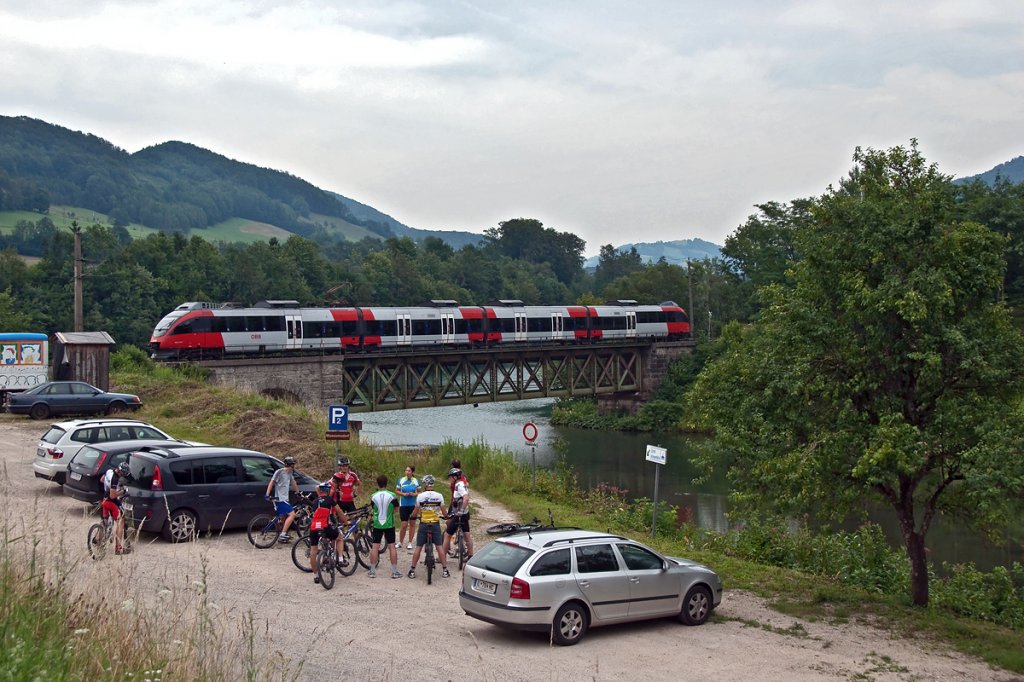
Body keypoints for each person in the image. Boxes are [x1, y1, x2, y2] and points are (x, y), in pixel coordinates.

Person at [408, 474, 449, 579]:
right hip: (435, 524)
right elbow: (444, 512)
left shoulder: (420, 496)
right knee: (439, 547)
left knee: (418, 547)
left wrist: (412, 516)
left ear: (425, 485)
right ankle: (445, 570)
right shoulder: (439, 496)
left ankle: (412, 570)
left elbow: (415, 511)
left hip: (424, 524)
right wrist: (446, 517)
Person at [309, 481, 348, 584]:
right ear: (328, 490)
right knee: (339, 538)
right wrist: (345, 521)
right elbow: (339, 512)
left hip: (313, 528)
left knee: (313, 551)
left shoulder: (315, 501)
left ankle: (316, 575)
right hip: (325, 526)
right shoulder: (330, 500)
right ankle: (340, 559)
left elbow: (316, 487)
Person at [367, 474, 401, 579]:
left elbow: (374, 508)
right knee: (392, 547)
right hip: (389, 524)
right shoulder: (392, 495)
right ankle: (394, 572)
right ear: (386, 483)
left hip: (377, 524)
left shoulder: (373, 496)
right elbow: (396, 509)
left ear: (377, 484)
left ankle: (372, 571)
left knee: (375, 547)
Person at [442, 466, 474, 562]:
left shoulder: (458, 485)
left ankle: (441, 557)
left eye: (450, 477)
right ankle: (470, 556)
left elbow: (466, 498)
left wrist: (461, 510)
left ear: (455, 477)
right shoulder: (463, 484)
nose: (449, 479)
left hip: (459, 514)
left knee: (447, 535)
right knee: (467, 535)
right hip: (465, 514)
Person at [265, 456, 299, 543]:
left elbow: (293, 483)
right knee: (292, 515)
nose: (294, 466)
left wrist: (298, 492)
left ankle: (282, 533)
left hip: (285, 498)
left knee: (284, 517)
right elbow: (271, 482)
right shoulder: (279, 472)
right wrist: (267, 494)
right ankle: (282, 535)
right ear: (290, 464)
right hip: (280, 499)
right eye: (293, 464)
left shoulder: (290, 474)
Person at [101, 462, 131, 554]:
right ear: (122, 473)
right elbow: (113, 496)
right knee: (120, 522)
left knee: (104, 523)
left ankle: (97, 539)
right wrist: (122, 491)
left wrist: (108, 486)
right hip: (111, 502)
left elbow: (102, 479)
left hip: (104, 500)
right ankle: (118, 548)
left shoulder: (109, 471)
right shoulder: (115, 479)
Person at [395, 465, 420, 551]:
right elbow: (397, 490)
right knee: (404, 525)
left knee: (412, 523)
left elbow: (420, 492)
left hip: (413, 505)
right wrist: (403, 494)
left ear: (412, 472)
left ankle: (410, 542)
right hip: (403, 505)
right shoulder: (401, 480)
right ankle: (400, 542)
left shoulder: (416, 481)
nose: (407, 472)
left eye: (409, 471)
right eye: (406, 470)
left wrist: (414, 494)